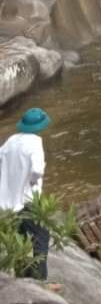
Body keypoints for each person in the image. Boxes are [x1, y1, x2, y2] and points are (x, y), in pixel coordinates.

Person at [0, 107, 60, 289]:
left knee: (18, 238)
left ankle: (21, 273)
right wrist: (33, 183)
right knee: (41, 235)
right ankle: (40, 282)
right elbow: (37, 170)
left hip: (6, 202)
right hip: (26, 201)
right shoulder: (35, 142)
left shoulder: (11, 140)